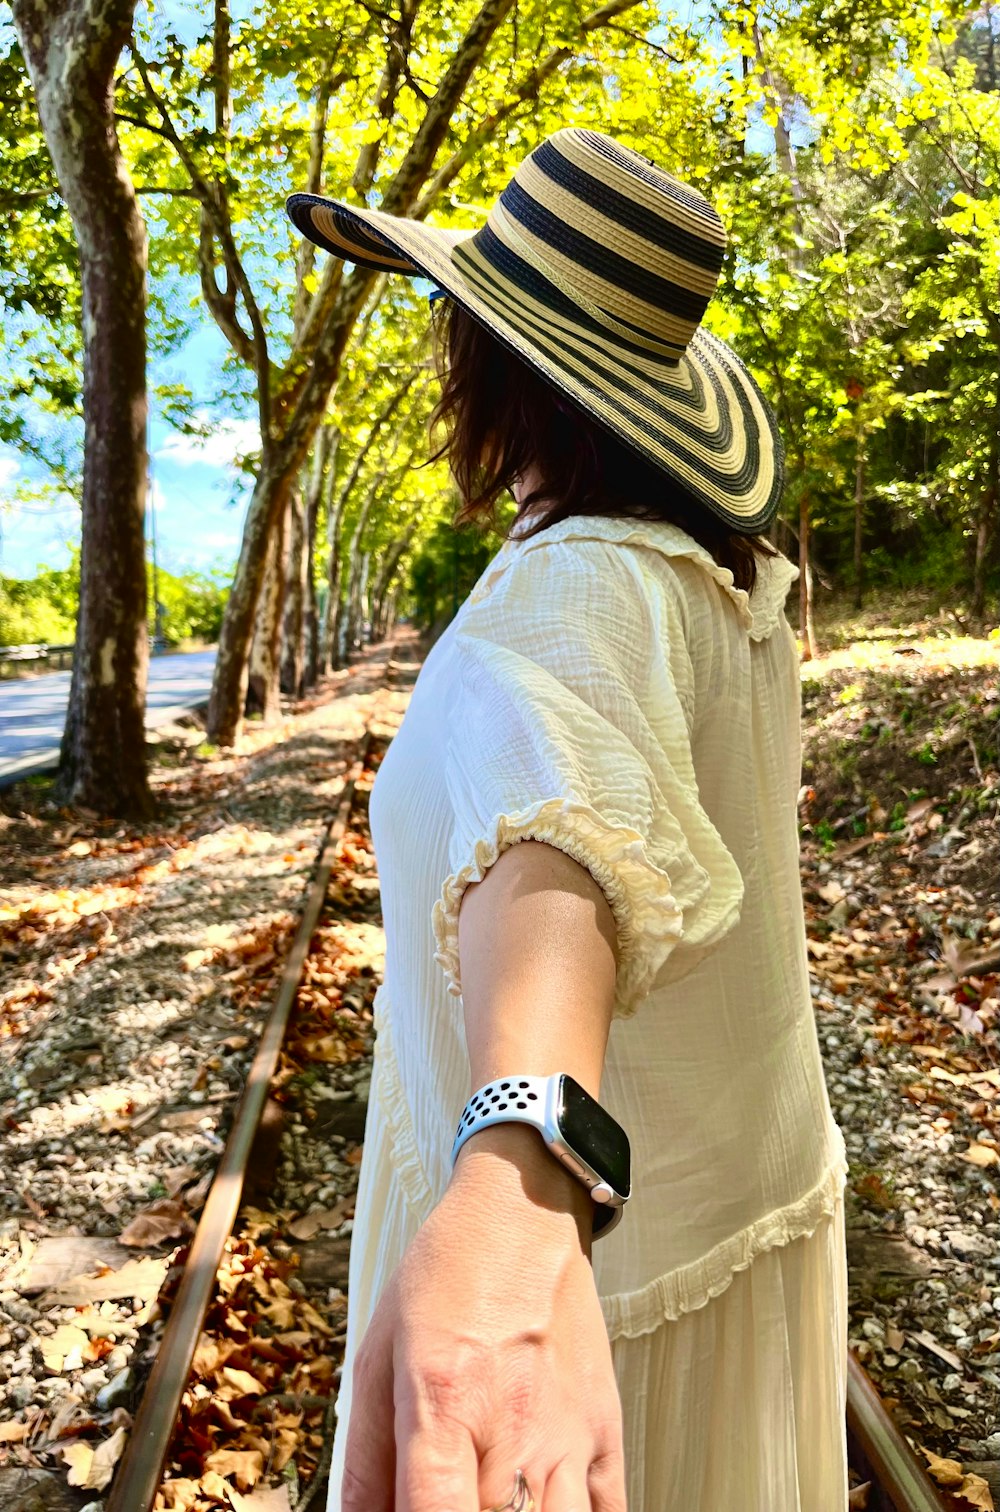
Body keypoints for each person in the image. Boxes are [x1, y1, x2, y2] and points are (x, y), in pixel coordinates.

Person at [287, 127, 849, 1512]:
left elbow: (566, 841)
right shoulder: (733, 578)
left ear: (492, 362)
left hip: (613, 1299)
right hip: (739, 1215)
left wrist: (521, 1180)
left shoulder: (574, 591)